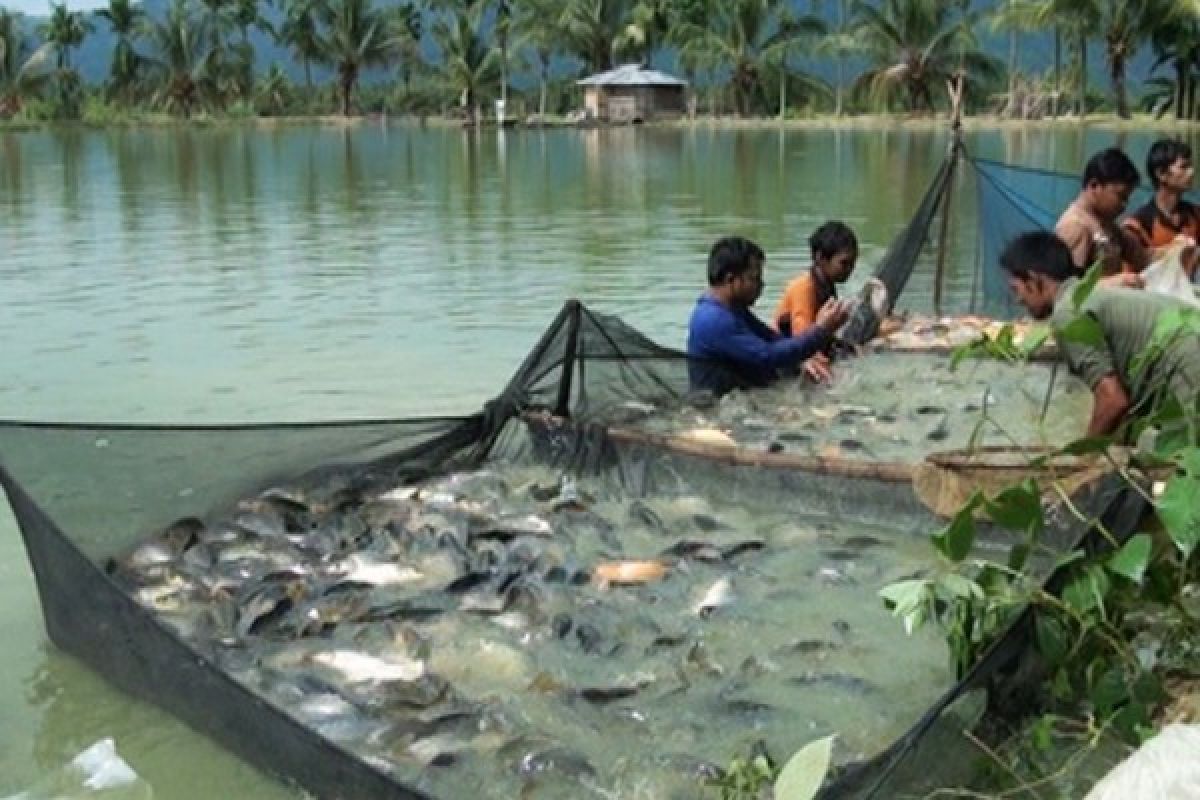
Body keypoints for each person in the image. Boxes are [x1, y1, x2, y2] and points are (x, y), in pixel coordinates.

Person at [1000, 230, 1200, 437]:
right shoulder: (1093, 295)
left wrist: (1083, 456)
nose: (1018, 300)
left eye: (1017, 290)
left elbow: (1113, 400)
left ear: (1033, 280)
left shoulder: (1068, 315)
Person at [687, 235, 850, 396]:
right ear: (731, 280)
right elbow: (768, 356)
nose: (761, 285)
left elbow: (770, 337)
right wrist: (820, 331)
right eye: (755, 278)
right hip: (716, 406)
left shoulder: (732, 309)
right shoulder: (715, 319)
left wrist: (803, 358)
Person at [772, 221, 859, 384]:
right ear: (820, 258)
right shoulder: (804, 287)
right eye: (844, 263)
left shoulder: (826, 285)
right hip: (786, 359)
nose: (850, 269)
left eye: (853, 263)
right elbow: (802, 338)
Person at [1055, 148, 1149, 277]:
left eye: (1127, 198)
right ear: (1094, 186)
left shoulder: (1108, 225)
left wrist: (1177, 249)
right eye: (1120, 196)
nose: (1124, 205)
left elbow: (1144, 258)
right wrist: (1113, 284)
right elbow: (1068, 288)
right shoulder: (1075, 226)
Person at [1122, 138, 1199, 278]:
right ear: (1161, 174)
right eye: (1184, 167)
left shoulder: (1194, 216)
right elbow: (1128, 277)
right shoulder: (1138, 226)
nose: (1192, 172)